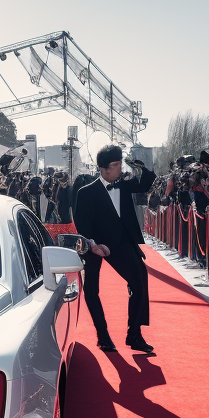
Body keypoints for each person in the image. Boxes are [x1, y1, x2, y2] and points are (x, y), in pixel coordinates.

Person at [73, 143, 156, 353]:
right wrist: (92, 245)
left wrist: (139, 167)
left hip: (121, 243)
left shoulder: (125, 185)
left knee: (140, 279)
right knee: (92, 290)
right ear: (103, 169)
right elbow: (82, 223)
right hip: (94, 244)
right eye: (115, 164)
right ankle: (103, 335)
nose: (120, 168)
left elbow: (147, 182)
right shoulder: (86, 192)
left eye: (121, 164)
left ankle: (135, 335)